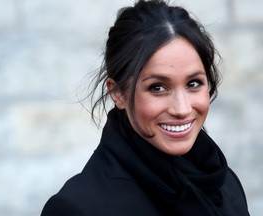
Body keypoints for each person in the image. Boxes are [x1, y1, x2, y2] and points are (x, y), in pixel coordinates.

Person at [41, 0, 250, 215]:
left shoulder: (225, 184)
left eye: (193, 84)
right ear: (118, 93)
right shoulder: (77, 208)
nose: (182, 108)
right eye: (158, 87)